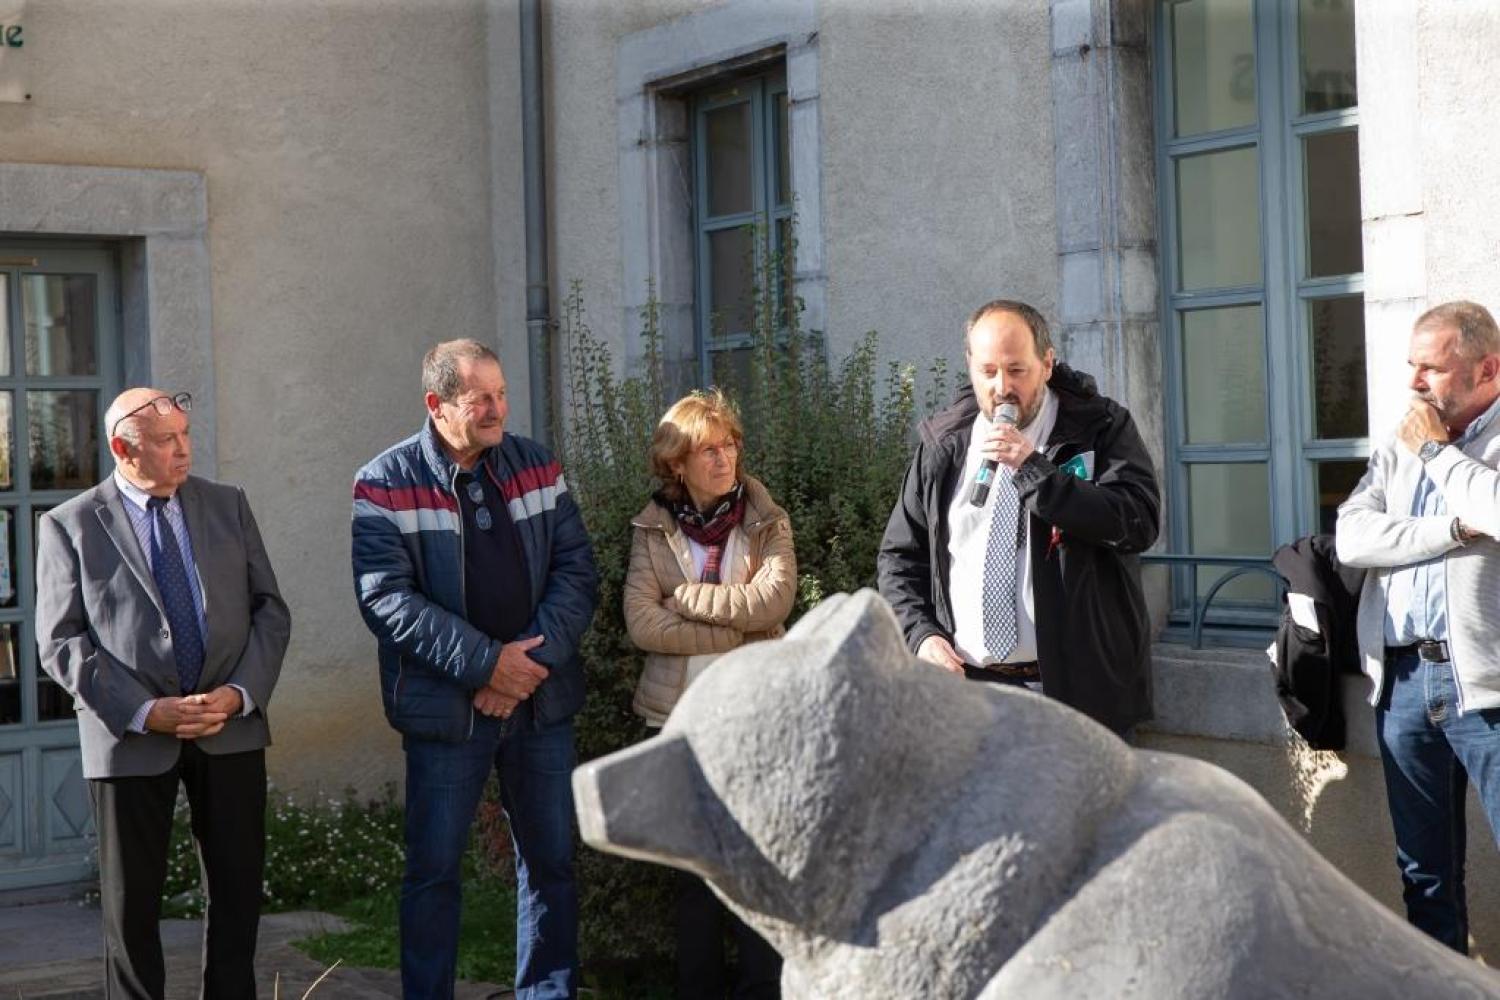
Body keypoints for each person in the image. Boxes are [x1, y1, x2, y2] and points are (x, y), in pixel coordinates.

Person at [352, 338, 598, 999]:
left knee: (549, 865)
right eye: (480, 398)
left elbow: (577, 572)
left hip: (540, 705)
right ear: (436, 405)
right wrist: (488, 668)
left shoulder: (537, 467)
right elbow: (386, 600)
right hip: (445, 711)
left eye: (502, 393)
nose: (497, 409)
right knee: (432, 873)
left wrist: (527, 667)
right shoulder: (384, 483)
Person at [35, 388, 291, 999]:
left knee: (236, 897)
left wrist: (237, 695)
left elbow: (270, 612)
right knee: (131, 913)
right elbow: (61, 641)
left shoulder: (228, 504)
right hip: (129, 737)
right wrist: (147, 712)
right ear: (124, 449)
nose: (184, 450)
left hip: (228, 728)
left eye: (185, 435)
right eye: (167, 441)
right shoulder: (70, 523)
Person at [877, 299, 1159, 735]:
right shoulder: (945, 446)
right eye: (987, 372)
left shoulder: (1100, 428)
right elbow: (899, 559)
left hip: (1075, 700)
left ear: (1047, 363)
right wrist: (921, 635)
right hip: (968, 696)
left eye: (1016, 370)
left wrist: (1035, 472)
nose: (1002, 387)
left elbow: (1137, 522)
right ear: (970, 367)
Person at [1335, 300, 1500, 954]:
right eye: (1412, 366)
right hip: (1404, 678)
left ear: (1487, 368)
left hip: (1487, 688)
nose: (1414, 383)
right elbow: (1351, 536)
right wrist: (1452, 531)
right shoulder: (1400, 441)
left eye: (1430, 368)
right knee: (1423, 875)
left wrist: (1436, 453)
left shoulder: (1430, 442)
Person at [622, 390, 795, 999]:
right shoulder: (652, 529)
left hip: (753, 717)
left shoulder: (766, 519)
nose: (724, 460)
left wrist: (689, 601)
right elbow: (641, 621)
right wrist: (733, 623)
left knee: (755, 869)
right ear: (678, 464)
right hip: (677, 720)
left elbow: (774, 603)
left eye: (729, 446)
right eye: (707, 451)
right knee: (692, 873)